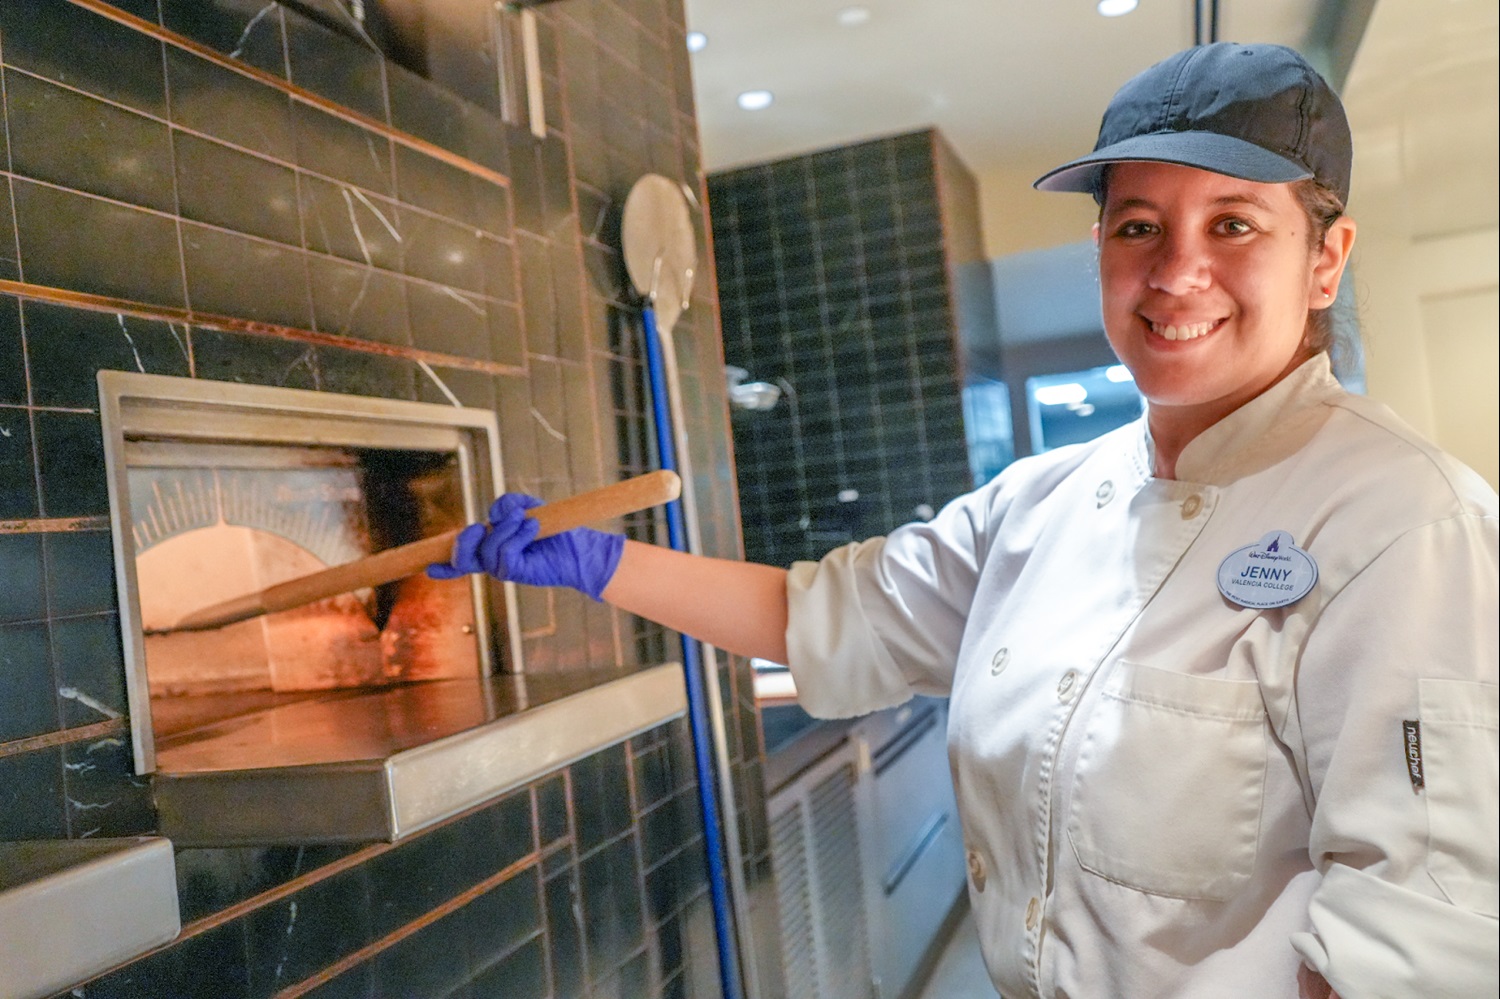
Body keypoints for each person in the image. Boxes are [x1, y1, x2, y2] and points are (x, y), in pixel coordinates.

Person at [430, 42, 1499, 999]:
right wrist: (602, 564)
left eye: (1233, 223)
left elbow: (1429, 927)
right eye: (1139, 226)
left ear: (1325, 258)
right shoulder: (1039, 501)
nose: (1177, 271)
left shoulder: (1406, 523)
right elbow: (827, 617)